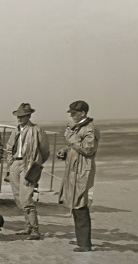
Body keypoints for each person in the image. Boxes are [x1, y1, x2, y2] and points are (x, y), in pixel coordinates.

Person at [57, 101, 100, 252]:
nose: (72, 116)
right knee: (76, 205)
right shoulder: (79, 128)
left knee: (81, 205)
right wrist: (65, 151)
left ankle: (85, 244)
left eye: (74, 113)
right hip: (75, 172)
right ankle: (81, 240)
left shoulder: (89, 128)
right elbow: (76, 147)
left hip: (82, 172)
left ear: (83, 113)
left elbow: (88, 149)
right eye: (71, 113)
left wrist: (70, 137)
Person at [6, 103, 50, 240]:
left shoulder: (37, 130)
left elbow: (45, 151)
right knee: (18, 196)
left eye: (22, 116)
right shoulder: (16, 130)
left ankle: (35, 230)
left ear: (29, 116)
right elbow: (9, 147)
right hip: (15, 164)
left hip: (29, 165)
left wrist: (36, 165)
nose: (19, 119)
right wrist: (11, 161)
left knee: (26, 198)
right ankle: (28, 226)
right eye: (18, 116)